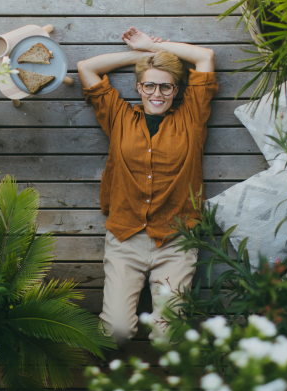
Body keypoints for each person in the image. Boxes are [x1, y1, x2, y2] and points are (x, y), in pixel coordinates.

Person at [77, 26, 218, 347]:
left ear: (177, 89)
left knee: (168, 339)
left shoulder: (192, 118)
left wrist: (153, 45)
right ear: (139, 87)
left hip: (175, 243)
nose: (157, 94)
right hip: (125, 239)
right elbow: (87, 68)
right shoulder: (119, 117)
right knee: (117, 333)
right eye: (150, 85)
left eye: (166, 87)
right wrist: (143, 55)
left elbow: (204, 57)